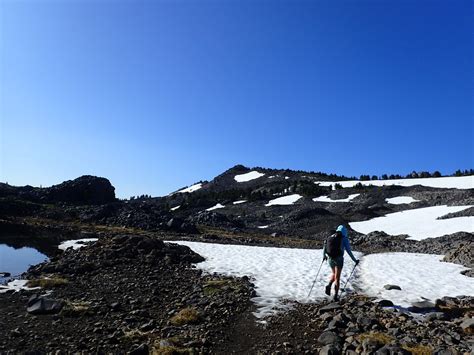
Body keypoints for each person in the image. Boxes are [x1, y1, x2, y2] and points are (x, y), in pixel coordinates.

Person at [323, 224, 359, 301]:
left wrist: (324, 256)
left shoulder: (331, 236)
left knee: (334, 273)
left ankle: (329, 285)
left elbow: (325, 247)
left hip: (330, 258)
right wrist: (355, 260)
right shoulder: (344, 239)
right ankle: (335, 296)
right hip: (339, 259)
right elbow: (349, 251)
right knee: (337, 278)